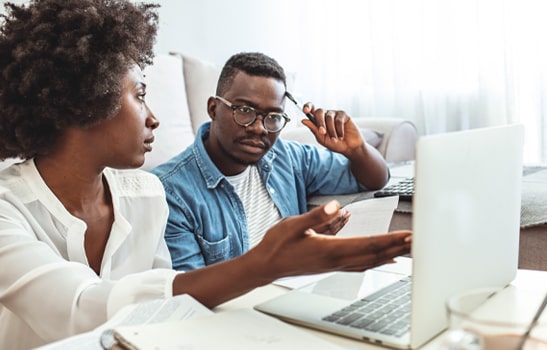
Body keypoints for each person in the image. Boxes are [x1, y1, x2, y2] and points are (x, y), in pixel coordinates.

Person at [0, 1, 412, 349]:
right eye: (140, 96)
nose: (154, 118)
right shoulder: (7, 209)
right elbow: (79, 309)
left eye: (270, 117)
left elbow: (168, 311)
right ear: (85, 101)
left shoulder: (144, 194)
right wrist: (264, 264)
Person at [152, 52, 391, 271]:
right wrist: (285, 249)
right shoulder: (171, 191)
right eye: (245, 111)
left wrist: (357, 149)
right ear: (213, 109)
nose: (259, 128)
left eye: (273, 117)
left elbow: (374, 179)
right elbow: (189, 292)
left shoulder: (288, 158)